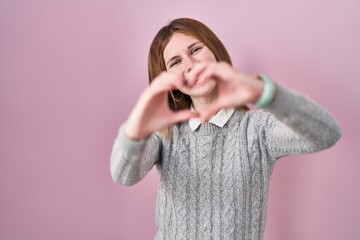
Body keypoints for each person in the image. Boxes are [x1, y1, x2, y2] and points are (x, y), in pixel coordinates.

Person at [110, 18, 341, 240]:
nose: (190, 64)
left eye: (195, 50)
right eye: (175, 62)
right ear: (168, 80)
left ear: (214, 51)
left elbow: (327, 133)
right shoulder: (165, 133)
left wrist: (264, 92)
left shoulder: (257, 129)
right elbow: (124, 175)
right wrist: (136, 127)